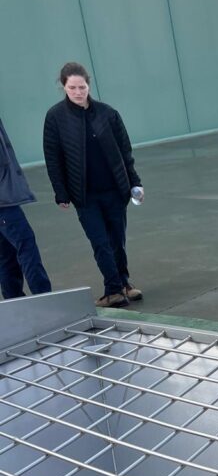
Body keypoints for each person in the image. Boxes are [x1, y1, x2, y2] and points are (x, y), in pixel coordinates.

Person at [43, 62, 144, 308]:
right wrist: (61, 192)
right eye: (72, 88)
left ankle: (124, 284)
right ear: (63, 87)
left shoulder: (107, 113)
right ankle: (113, 289)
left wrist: (135, 183)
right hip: (84, 195)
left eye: (82, 87)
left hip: (115, 190)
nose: (78, 92)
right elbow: (53, 158)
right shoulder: (56, 117)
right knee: (100, 242)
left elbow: (125, 151)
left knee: (117, 240)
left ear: (89, 85)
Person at [0, 118, 52, 300]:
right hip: (4, 203)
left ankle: (14, 303)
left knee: (6, 255)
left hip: (5, 200)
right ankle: (44, 299)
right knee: (26, 247)